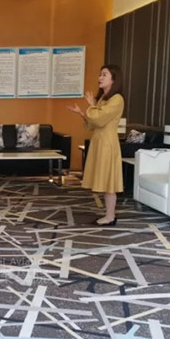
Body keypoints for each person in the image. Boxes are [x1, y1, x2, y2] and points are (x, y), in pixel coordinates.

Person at [67, 64, 124, 226]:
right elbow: (93, 124)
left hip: (107, 143)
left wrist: (91, 105)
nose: (100, 78)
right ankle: (109, 215)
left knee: (108, 181)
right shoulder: (103, 99)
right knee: (105, 181)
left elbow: (99, 119)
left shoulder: (117, 99)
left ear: (114, 79)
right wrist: (81, 113)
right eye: (100, 74)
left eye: (104, 75)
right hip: (99, 141)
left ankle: (110, 217)